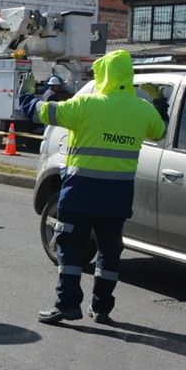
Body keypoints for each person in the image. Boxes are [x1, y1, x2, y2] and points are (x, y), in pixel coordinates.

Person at [19, 49, 165, 325]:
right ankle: (102, 309)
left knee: (71, 249)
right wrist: (158, 101)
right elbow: (161, 131)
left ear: (104, 76)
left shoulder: (85, 105)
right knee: (109, 254)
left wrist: (25, 92)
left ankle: (68, 305)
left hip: (80, 195)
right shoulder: (143, 110)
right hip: (117, 198)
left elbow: (39, 112)